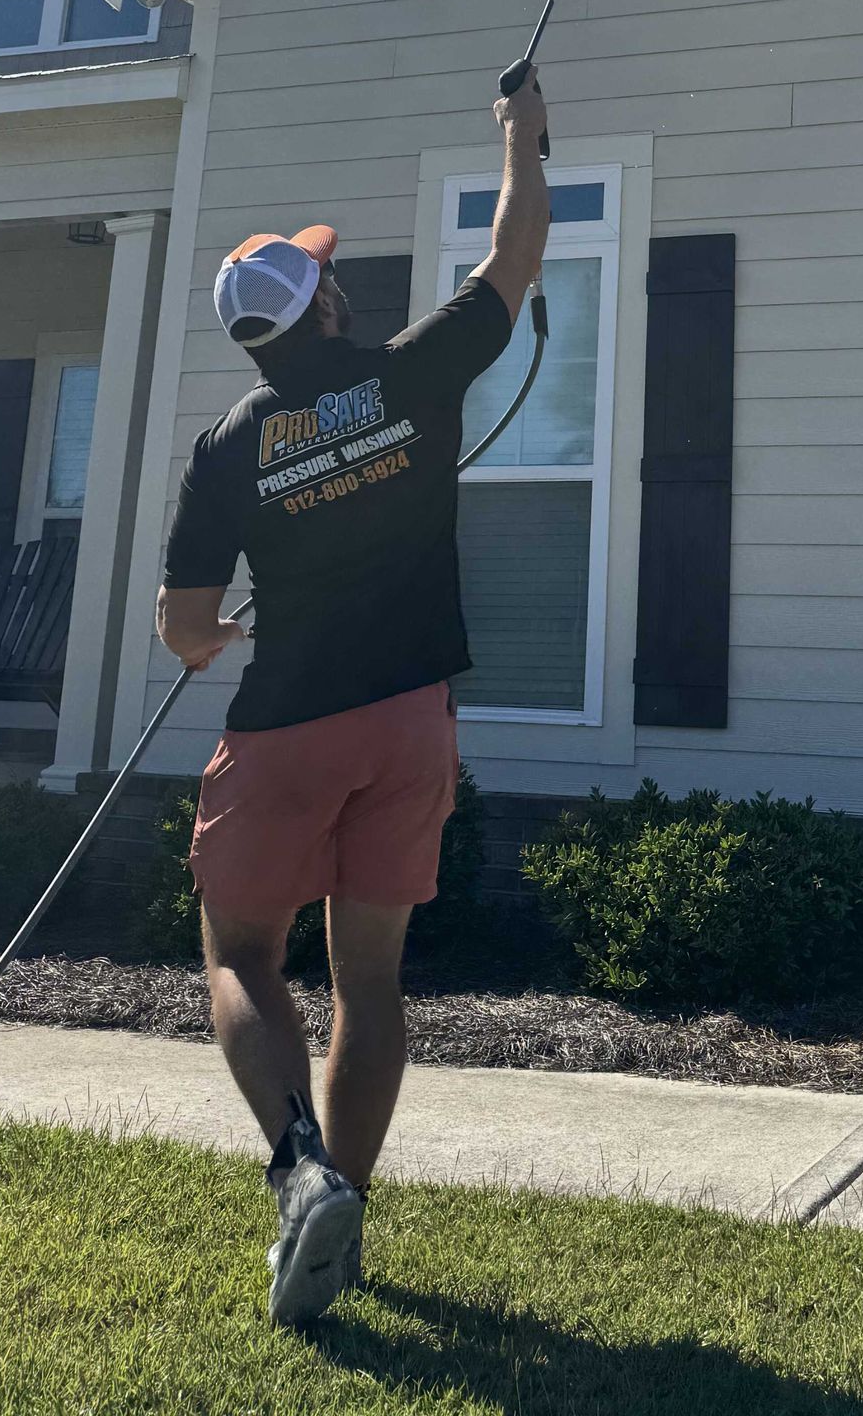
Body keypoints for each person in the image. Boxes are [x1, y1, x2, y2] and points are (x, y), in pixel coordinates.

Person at [157, 69, 550, 1327]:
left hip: (284, 728)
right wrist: (521, 136)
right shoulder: (412, 372)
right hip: (409, 722)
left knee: (238, 953)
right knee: (368, 981)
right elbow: (516, 251)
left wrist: (218, 633)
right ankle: (339, 1224)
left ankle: (301, 1171)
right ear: (323, 300)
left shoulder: (224, 447)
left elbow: (184, 628)